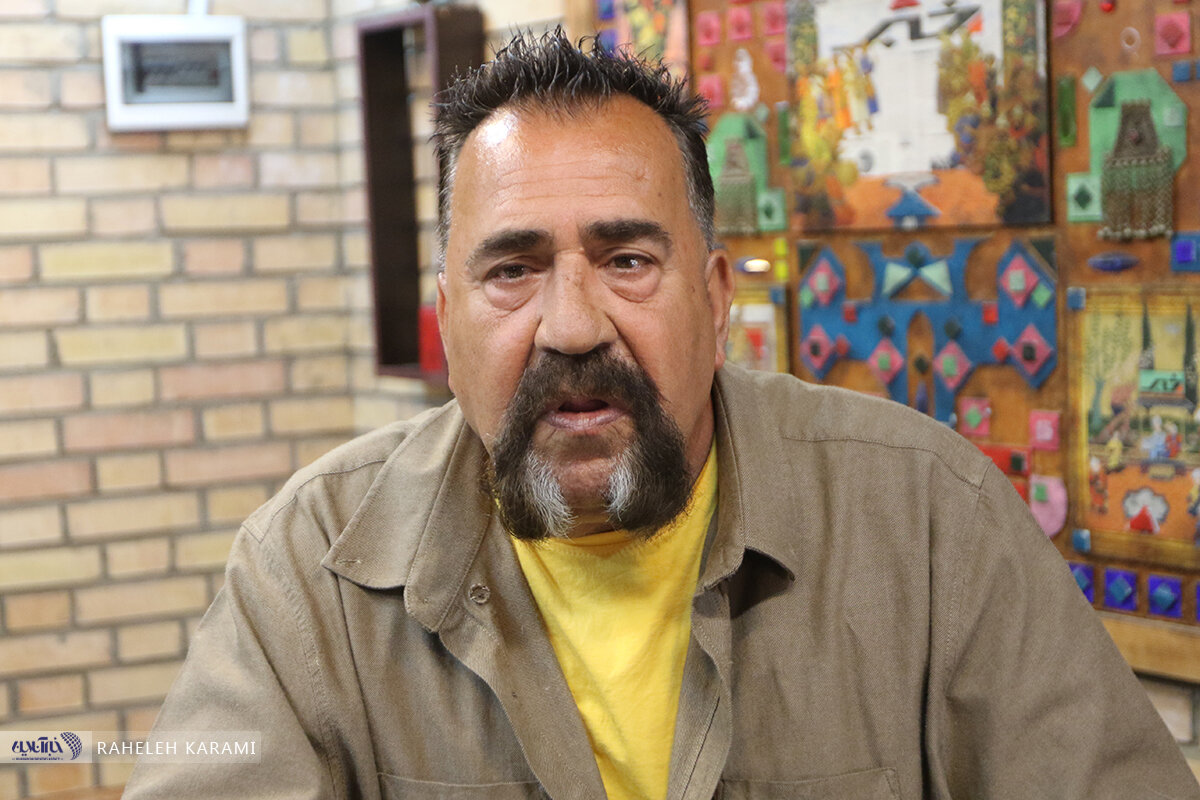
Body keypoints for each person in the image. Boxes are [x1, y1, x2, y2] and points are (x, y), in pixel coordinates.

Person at [123, 30, 1200, 800]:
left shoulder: (929, 521)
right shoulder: (312, 569)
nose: (571, 325)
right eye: (512, 270)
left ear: (718, 300)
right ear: (446, 319)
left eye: (628, 259)